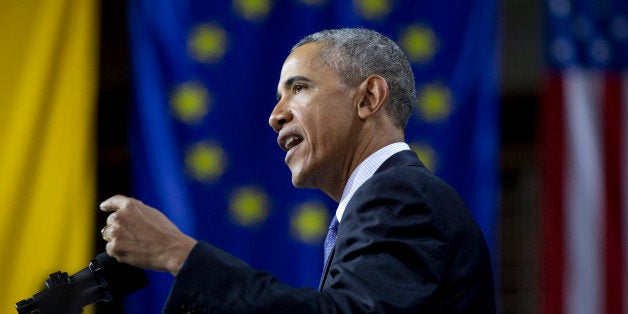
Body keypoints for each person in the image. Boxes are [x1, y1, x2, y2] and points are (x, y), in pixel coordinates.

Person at [100, 28, 495, 313]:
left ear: (369, 98)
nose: (275, 115)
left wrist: (178, 253)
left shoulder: (399, 194)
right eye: (278, 96)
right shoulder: (391, 199)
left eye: (299, 88)